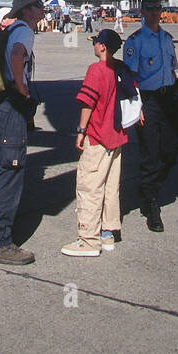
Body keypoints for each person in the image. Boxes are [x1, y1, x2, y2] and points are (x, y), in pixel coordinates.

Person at [62, 29, 136, 257]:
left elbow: (88, 103)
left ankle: (88, 239)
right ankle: (108, 231)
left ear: (102, 46)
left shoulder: (96, 70)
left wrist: (81, 131)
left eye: (95, 42)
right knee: (111, 186)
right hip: (117, 136)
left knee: (89, 186)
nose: (93, 45)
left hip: (98, 136)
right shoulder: (121, 68)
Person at [0, 0, 44, 266]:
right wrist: (21, 85)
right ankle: (2, 242)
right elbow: (18, 55)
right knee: (10, 171)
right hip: (12, 110)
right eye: (36, 5)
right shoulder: (24, 31)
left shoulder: (10, 29)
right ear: (26, 11)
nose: (41, 8)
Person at [122, 0, 178, 233]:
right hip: (147, 101)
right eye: (149, 9)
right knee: (150, 152)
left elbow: (172, 70)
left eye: (157, 8)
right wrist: (136, 105)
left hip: (169, 98)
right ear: (142, 11)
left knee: (170, 152)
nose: (154, 13)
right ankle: (150, 204)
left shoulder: (167, 39)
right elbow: (129, 76)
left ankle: (149, 187)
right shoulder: (135, 41)